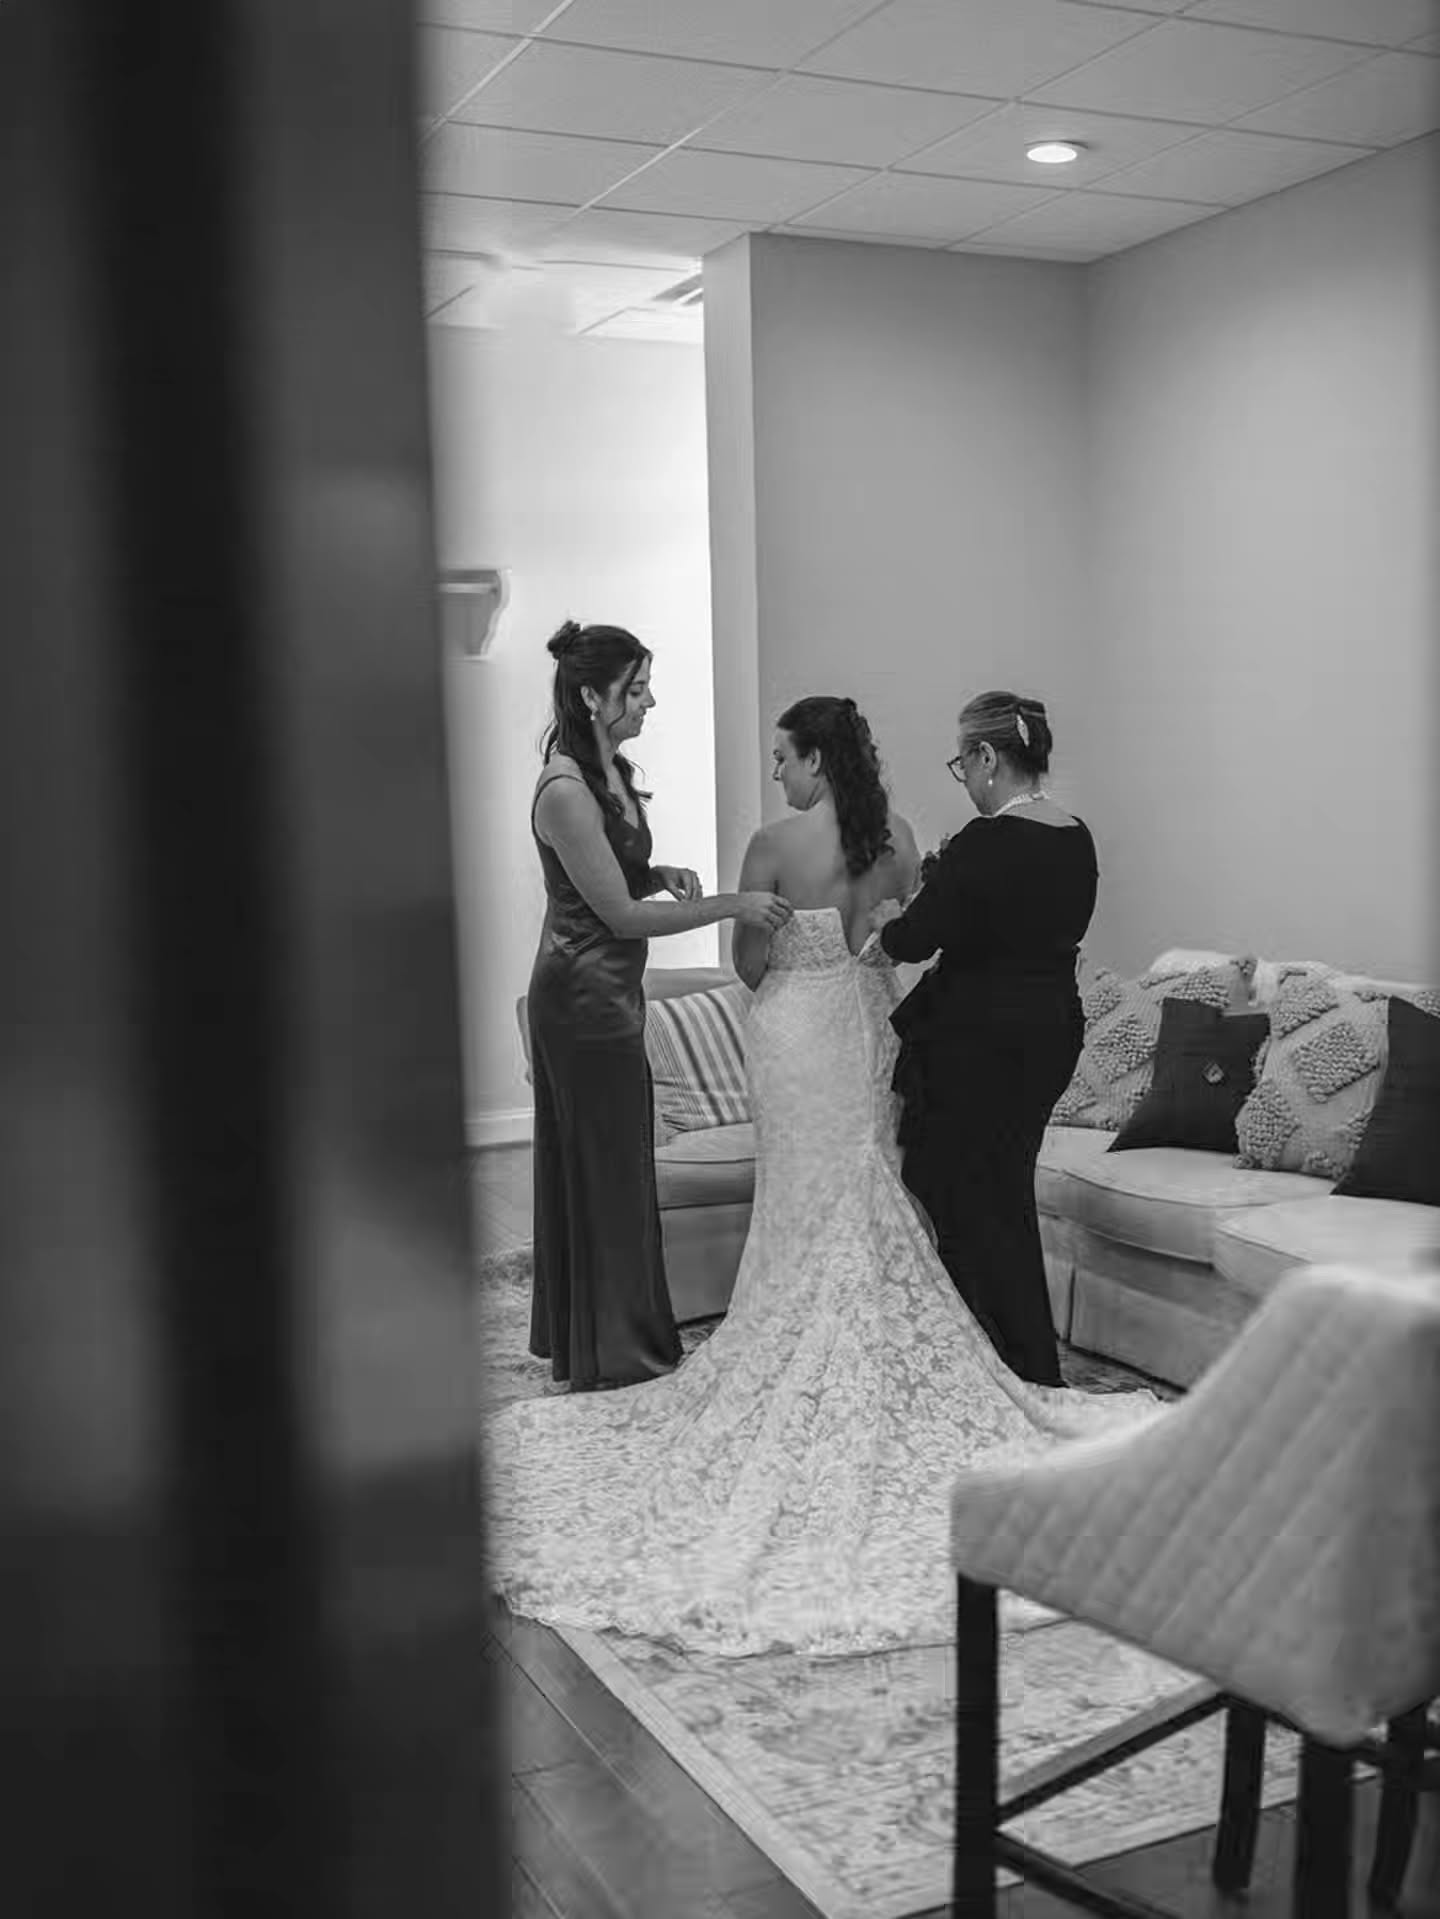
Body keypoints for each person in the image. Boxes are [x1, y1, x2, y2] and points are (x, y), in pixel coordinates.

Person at [484, 692, 1159, 1658]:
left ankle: (793, 1335)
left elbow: (751, 965)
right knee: (876, 1182)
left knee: (805, 1193)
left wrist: (793, 949)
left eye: (781, 756)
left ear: (810, 758)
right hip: (873, 1024)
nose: (776, 773)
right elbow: (916, 925)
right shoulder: (906, 833)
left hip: (801, 1032)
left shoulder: (772, 842)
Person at [526, 620, 791, 1393]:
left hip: (608, 992)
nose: (649, 702)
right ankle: (613, 1350)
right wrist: (732, 905)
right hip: (581, 998)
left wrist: (657, 870)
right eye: (634, 690)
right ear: (590, 695)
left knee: (616, 1165)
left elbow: (610, 883)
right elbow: (618, 918)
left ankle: (611, 1334)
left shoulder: (611, 768)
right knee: (604, 1168)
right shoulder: (566, 789)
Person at [872, 691, 1094, 1386]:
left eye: (961, 762)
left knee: (958, 1193)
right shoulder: (1075, 834)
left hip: (979, 1041)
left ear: (988, 757)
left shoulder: (987, 840)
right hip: (1050, 1030)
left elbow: (914, 938)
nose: (962, 778)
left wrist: (887, 918)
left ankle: (989, 1360)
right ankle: (1025, 1358)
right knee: (1001, 1192)